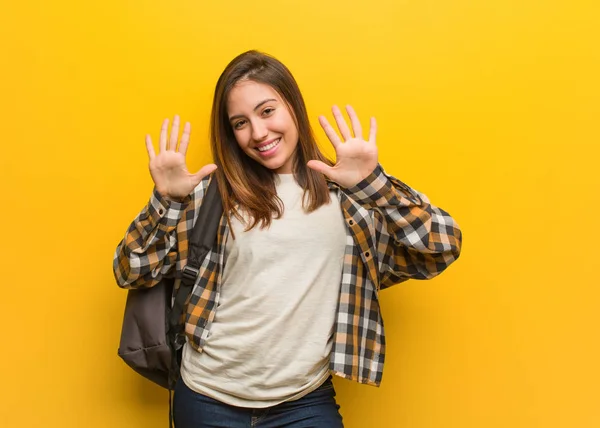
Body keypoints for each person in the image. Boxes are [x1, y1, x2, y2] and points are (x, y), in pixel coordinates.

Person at [113, 50, 462, 428]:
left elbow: (442, 246)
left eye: (267, 111)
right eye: (240, 123)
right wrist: (166, 200)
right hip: (206, 398)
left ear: (293, 106)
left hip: (303, 402)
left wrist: (373, 184)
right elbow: (130, 270)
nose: (259, 133)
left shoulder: (349, 197)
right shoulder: (213, 195)